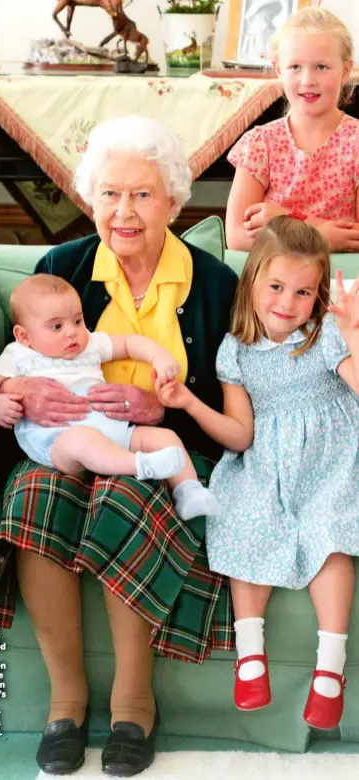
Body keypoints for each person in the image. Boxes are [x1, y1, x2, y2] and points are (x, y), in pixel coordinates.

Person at [0, 115, 238, 777]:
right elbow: (11, 365)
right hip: (54, 447)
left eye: (142, 195)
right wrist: (21, 397)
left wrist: (164, 408)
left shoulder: (211, 283)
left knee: (126, 493)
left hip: (157, 447)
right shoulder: (60, 269)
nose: (124, 211)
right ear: (90, 198)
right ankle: (66, 698)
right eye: (109, 194)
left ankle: (132, 702)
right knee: (32, 495)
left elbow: (230, 406)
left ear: (173, 202)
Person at [157, 216, 359, 730]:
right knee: (245, 519)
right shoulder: (236, 351)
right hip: (264, 461)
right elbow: (241, 435)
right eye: (276, 286)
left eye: (303, 291)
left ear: (318, 295)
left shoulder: (328, 334)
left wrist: (355, 339)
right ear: (252, 282)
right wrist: (188, 404)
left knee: (329, 531)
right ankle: (251, 657)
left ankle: (329, 670)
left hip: (331, 458)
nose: (287, 303)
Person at [0, 274, 218, 520]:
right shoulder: (19, 354)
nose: (72, 332)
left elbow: (130, 343)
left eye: (78, 321)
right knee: (84, 440)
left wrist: (158, 357)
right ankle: (141, 465)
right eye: (57, 326)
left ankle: (189, 491)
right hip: (58, 440)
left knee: (164, 437)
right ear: (24, 336)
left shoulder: (90, 345)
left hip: (112, 428)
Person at [226, 8, 359, 253]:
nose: (307, 79)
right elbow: (235, 237)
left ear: (346, 70)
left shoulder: (356, 142)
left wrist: (286, 220)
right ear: (278, 69)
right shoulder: (261, 143)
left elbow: (355, 237)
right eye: (295, 67)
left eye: (321, 67)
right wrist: (320, 236)